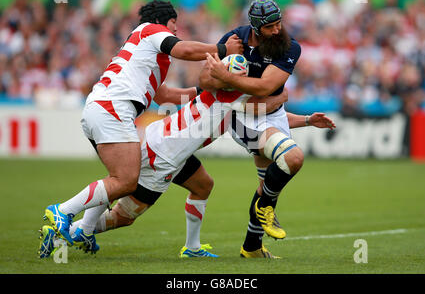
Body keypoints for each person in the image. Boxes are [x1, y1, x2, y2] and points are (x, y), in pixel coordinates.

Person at [40, 0, 243, 247]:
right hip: (113, 108)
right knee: (126, 181)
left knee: (120, 181)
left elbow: (164, 96)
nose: (176, 29)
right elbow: (185, 51)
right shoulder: (151, 29)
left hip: (104, 108)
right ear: (162, 20)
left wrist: (202, 90)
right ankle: (63, 211)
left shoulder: (146, 51)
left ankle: (80, 230)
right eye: (173, 23)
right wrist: (222, 50)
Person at [38, 78, 288, 258]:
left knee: (203, 185)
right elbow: (261, 107)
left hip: (166, 145)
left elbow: (265, 118)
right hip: (163, 156)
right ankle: (70, 230)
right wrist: (282, 97)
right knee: (123, 214)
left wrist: (308, 120)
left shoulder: (219, 94)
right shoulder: (233, 98)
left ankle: (192, 247)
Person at [203, 0, 324, 258]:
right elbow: (205, 78)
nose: (277, 30)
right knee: (292, 157)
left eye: (279, 23)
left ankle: (252, 248)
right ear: (256, 29)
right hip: (242, 119)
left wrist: (305, 120)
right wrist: (222, 75)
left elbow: (266, 88)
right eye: (270, 27)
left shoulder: (290, 47)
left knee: (266, 185)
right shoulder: (234, 39)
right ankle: (267, 207)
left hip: (273, 116)